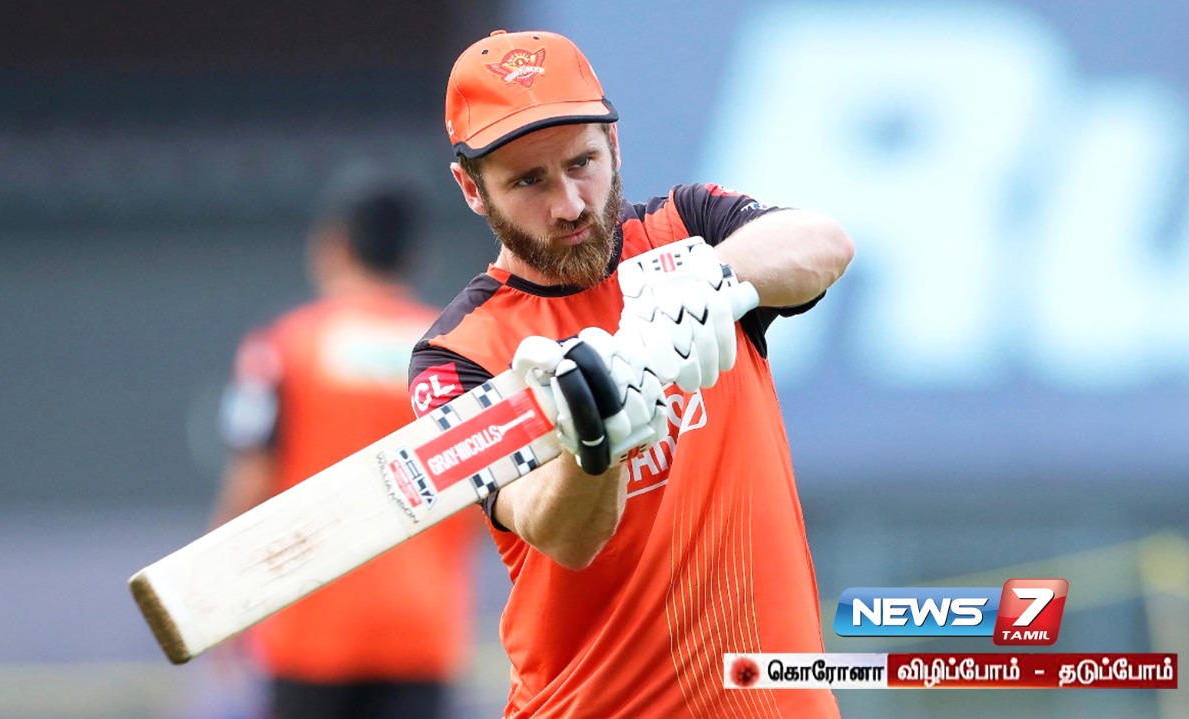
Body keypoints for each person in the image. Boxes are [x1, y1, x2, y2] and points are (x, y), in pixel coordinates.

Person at [408, 29, 855, 719]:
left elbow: (825, 243)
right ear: (472, 188)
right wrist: (597, 442)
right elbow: (556, 533)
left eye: (582, 162)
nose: (570, 204)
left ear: (614, 146)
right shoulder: (456, 357)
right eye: (529, 181)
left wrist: (710, 278)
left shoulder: (685, 229)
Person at [213, 166, 478, 719]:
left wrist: (222, 599)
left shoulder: (284, 348)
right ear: (414, 256)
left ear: (333, 245)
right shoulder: (453, 356)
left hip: (308, 631)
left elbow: (252, 480)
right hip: (420, 630)